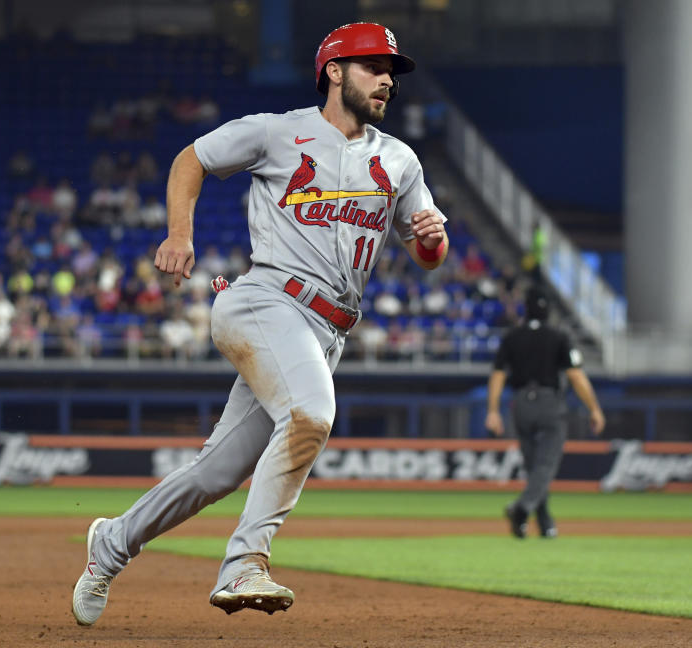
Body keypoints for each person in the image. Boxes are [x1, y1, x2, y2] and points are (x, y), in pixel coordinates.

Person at [72, 22, 449, 625]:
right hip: (266, 301)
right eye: (373, 66)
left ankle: (110, 545)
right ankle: (246, 562)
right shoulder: (279, 131)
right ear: (333, 71)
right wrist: (179, 232)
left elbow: (426, 251)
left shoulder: (399, 160)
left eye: (391, 71)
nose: (386, 79)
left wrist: (433, 241)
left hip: (329, 331)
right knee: (311, 414)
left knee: (216, 472)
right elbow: (190, 158)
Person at [484, 286, 605, 539]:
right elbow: (576, 376)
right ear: (548, 311)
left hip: (520, 404)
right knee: (545, 465)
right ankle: (522, 508)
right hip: (550, 403)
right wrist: (594, 408)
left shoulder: (512, 336)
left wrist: (493, 410)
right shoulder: (559, 336)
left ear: (525, 310)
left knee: (533, 466)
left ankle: (543, 522)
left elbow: (497, 375)